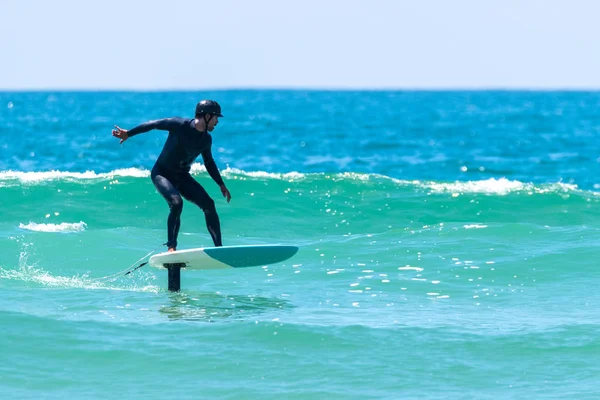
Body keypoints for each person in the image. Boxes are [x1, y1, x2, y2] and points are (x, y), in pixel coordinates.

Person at [112, 100, 231, 252]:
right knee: (176, 203)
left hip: (182, 176)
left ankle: (219, 248)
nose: (217, 121)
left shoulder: (206, 139)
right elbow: (153, 124)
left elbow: (209, 162)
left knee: (209, 204)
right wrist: (128, 133)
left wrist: (221, 184)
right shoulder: (179, 125)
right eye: (216, 117)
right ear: (207, 116)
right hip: (162, 173)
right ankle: (171, 247)